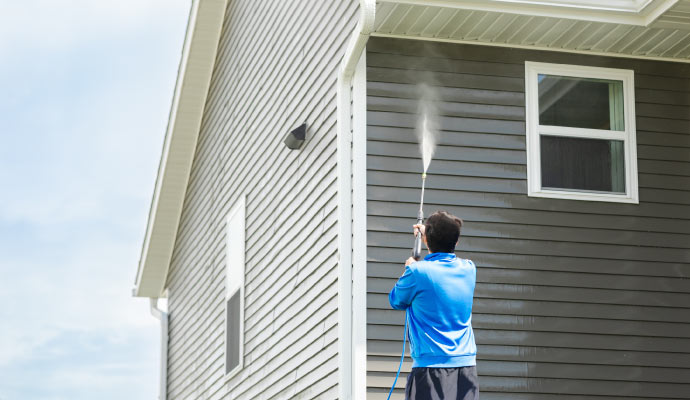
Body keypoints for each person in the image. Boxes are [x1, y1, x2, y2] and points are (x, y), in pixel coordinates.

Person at [389, 210, 479, 400]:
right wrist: (429, 236)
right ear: (456, 242)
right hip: (465, 368)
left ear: (428, 239)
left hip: (429, 368)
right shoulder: (469, 268)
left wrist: (409, 268)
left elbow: (396, 300)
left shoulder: (416, 272)